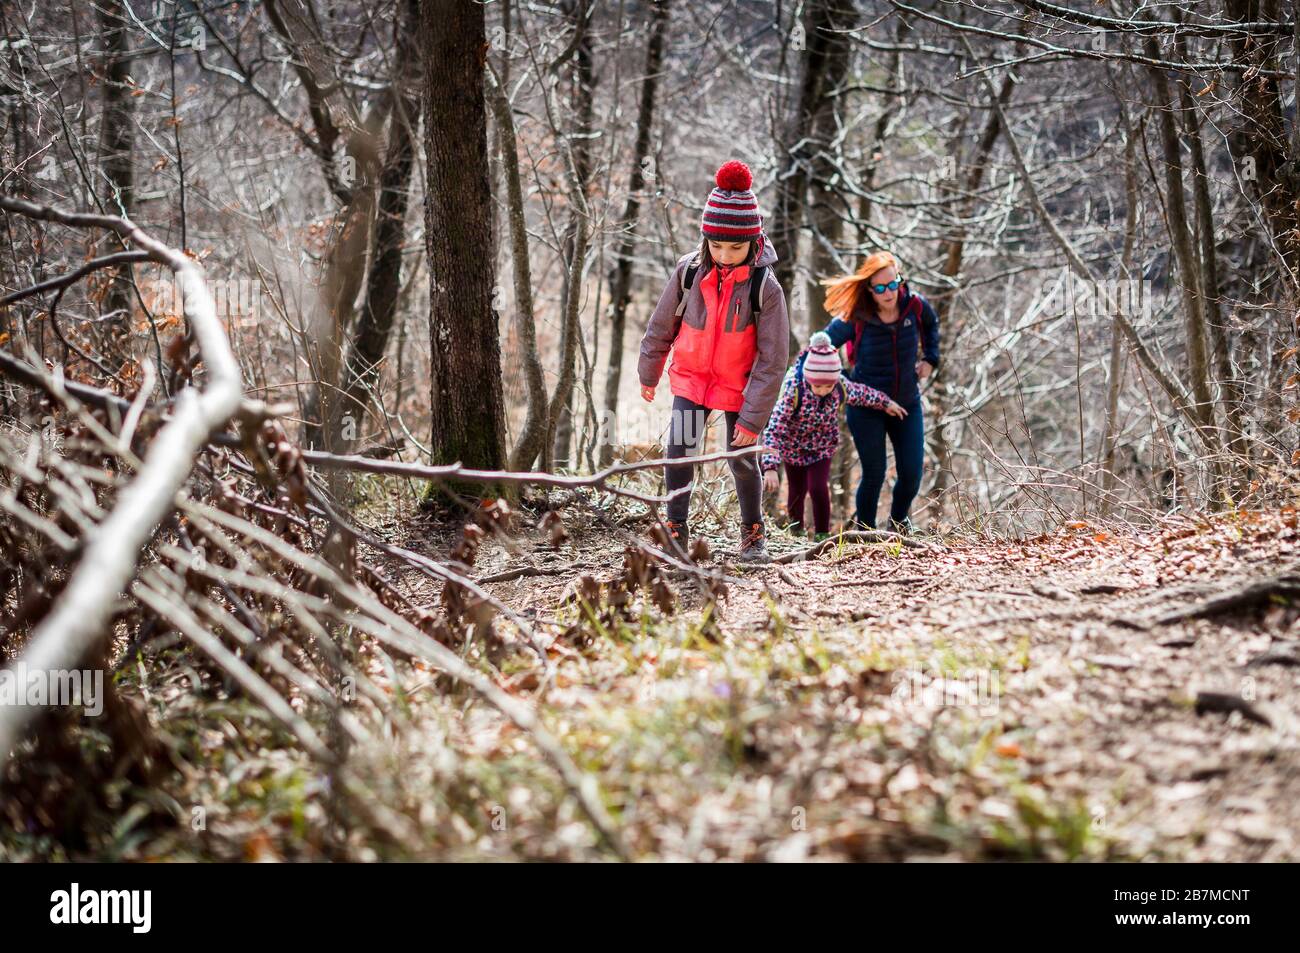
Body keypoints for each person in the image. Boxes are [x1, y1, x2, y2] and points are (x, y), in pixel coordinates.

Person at [637, 160, 790, 563]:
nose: (724, 255)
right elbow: (661, 324)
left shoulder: (765, 287)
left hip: (740, 388)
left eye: (735, 247)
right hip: (691, 381)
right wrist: (649, 369)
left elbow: (773, 360)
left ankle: (753, 531)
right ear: (705, 238)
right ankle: (675, 528)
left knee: (741, 458)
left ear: (754, 243)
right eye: (716, 245)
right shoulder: (688, 271)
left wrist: (753, 418)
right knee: (679, 449)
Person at [811, 250, 940, 533]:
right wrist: (843, 382)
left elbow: (932, 326)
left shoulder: (915, 306)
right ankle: (865, 533)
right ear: (869, 289)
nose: (889, 292)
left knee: (911, 473)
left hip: (906, 402)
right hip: (866, 408)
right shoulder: (856, 317)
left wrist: (931, 358)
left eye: (893, 284)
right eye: (880, 288)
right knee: (874, 473)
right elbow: (820, 346)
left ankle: (898, 524)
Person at [761, 332, 907, 539]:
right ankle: (796, 532)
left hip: (822, 447)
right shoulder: (794, 390)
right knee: (797, 490)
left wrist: (886, 403)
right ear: (809, 379)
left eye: (828, 386)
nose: (823, 390)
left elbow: (862, 393)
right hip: (792, 448)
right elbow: (774, 427)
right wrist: (770, 467)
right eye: (818, 386)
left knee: (818, 488)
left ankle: (822, 535)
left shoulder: (838, 387)